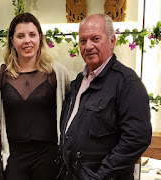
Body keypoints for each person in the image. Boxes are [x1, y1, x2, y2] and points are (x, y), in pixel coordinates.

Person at [58, 14, 152, 180]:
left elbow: (137, 138)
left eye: (95, 38)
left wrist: (101, 175)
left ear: (112, 41)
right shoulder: (78, 82)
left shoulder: (126, 82)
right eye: (82, 41)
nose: (88, 46)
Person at [0, 13, 71, 180]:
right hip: (13, 156)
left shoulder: (56, 72)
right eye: (20, 36)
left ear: (40, 38)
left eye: (32, 35)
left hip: (48, 157)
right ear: (12, 40)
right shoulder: (0, 73)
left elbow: (71, 110)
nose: (27, 40)